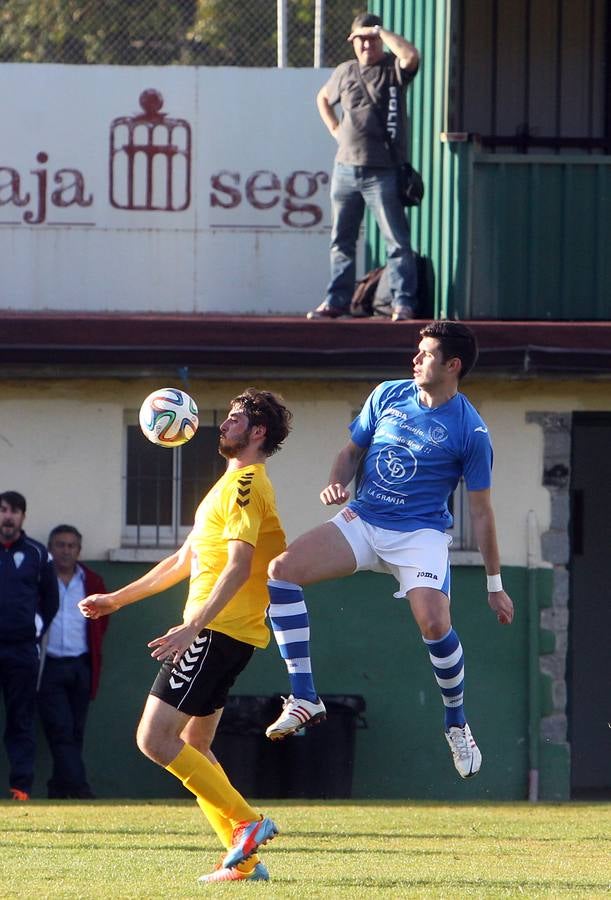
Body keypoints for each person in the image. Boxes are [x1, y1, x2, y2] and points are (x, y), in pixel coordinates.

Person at [265, 321, 514, 780]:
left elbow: (481, 513)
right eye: (417, 351)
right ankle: (303, 695)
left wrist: (495, 586)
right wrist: (336, 481)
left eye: (427, 353)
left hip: (419, 535)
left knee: (435, 622)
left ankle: (456, 721)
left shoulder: (471, 431)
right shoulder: (387, 394)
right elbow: (350, 453)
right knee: (281, 571)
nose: (415, 359)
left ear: (452, 365)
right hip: (365, 519)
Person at [79, 389, 291, 885]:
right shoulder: (225, 486)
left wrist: (192, 627)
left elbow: (238, 566)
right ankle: (246, 864)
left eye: (236, 419)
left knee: (153, 739)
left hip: (215, 630)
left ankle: (249, 823)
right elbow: (181, 561)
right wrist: (115, 600)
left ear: (258, 433)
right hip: (223, 631)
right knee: (195, 743)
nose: (225, 423)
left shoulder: (245, 484)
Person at [308, 12, 420, 322]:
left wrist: (381, 31)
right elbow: (323, 98)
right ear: (353, 42)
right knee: (341, 240)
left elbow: (410, 56)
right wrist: (334, 128)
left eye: (371, 40)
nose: (366, 45)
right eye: (360, 40)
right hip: (345, 169)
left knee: (396, 241)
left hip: (382, 170)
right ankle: (336, 301)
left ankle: (402, 303)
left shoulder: (392, 70)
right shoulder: (345, 71)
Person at [37, 524, 109, 799]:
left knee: (75, 730)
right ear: (51, 549)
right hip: (50, 664)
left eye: (71, 545)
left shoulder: (91, 581)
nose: (65, 551)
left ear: (79, 550)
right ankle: (80, 789)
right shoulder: (41, 579)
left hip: (82, 664)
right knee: (61, 728)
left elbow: (102, 622)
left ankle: (58, 789)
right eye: (60, 545)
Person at [0, 490, 59, 800]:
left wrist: (33, 630)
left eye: (14, 511)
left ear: (23, 517)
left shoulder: (37, 554)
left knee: (20, 718)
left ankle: (20, 787)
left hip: (22, 651)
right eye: (3, 510)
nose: (8, 516)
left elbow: (51, 602)